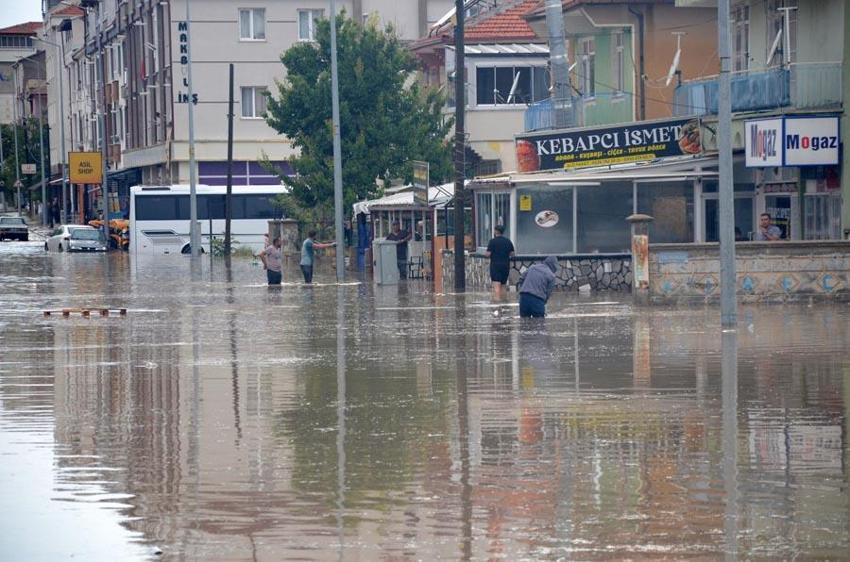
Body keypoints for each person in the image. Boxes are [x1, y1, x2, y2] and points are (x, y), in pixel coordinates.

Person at [485, 225, 515, 299]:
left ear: (496, 231)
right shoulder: (508, 241)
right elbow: (512, 254)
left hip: (495, 266)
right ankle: (504, 301)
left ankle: (497, 302)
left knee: (496, 286)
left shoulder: (492, 241)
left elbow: (488, 254)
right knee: (503, 286)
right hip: (505, 265)